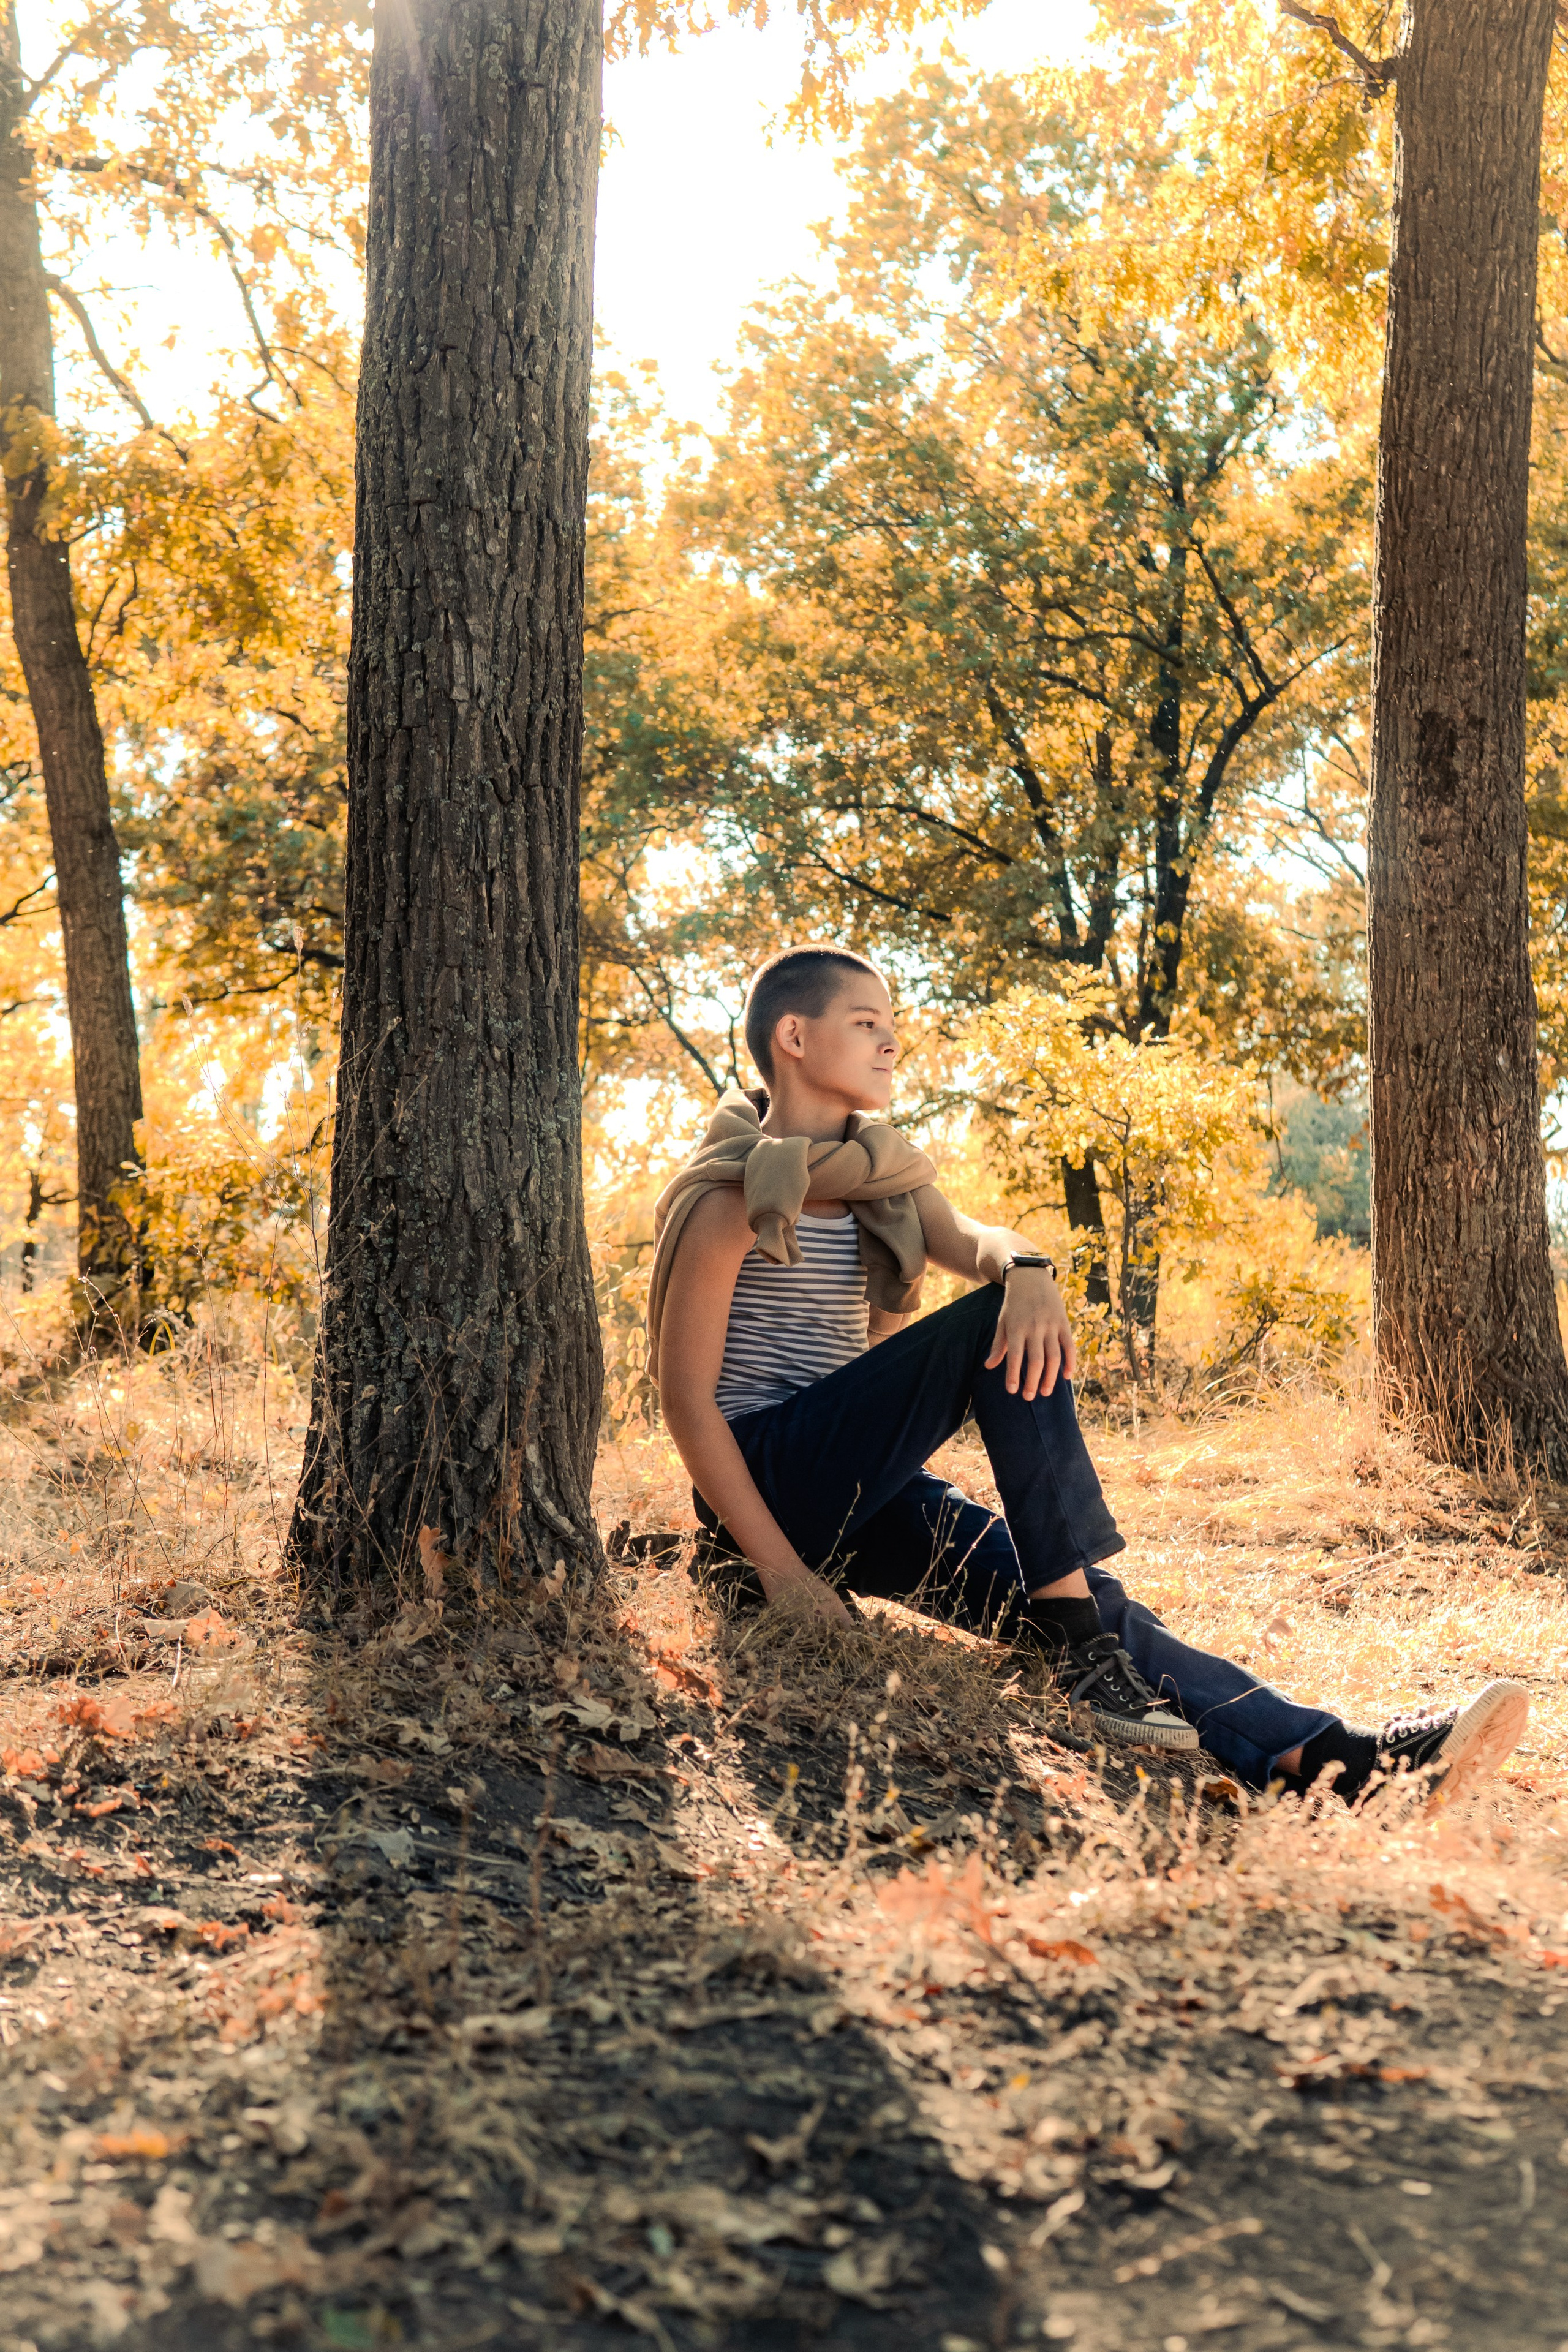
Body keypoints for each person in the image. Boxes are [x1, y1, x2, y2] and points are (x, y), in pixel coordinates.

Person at [647, 946, 1529, 1803]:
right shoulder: (730, 1200)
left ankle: (1340, 1764)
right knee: (993, 1347)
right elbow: (685, 1404)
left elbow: (977, 1240)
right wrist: (781, 1573)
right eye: (866, 1022)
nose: (891, 1041)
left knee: (1074, 1590)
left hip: (860, 1494)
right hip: (762, 1488)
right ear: (794, 1037)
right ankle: (1078, 1638)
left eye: (892, 1024)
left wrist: (1027, 1268)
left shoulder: (884, 1180)